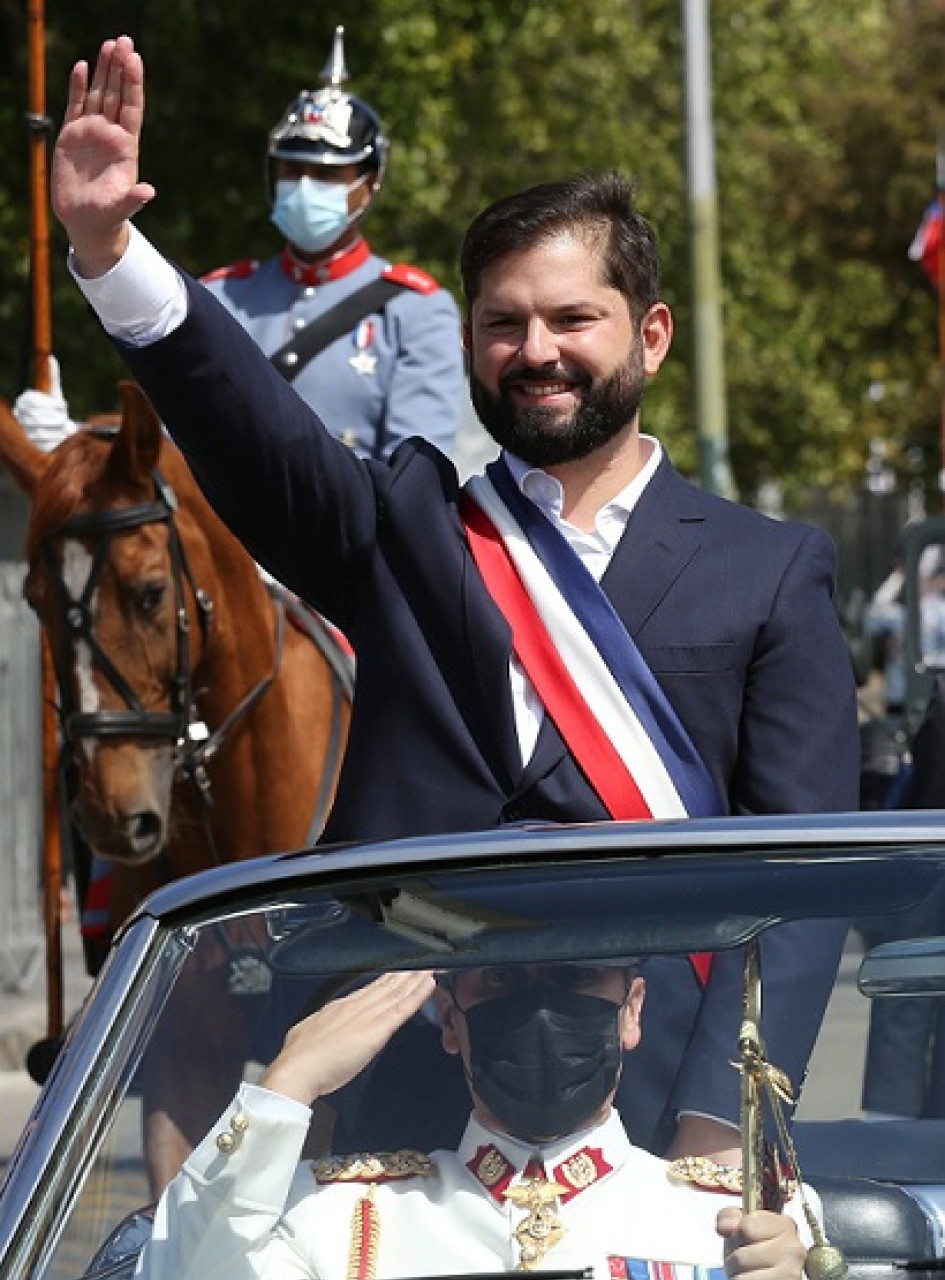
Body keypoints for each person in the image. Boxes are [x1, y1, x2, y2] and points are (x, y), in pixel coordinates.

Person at [49, 35, 860, 1167]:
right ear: (474, 343)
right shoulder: (406, 531)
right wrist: (107, 247)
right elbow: (250, 425)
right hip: (392, 1116)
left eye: (574, 320)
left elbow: (803, 881)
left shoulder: (772, 568)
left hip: (666, 1122)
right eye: (503, 324)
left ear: (652, 335)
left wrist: (725, 1122)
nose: (538, 352)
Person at [134, 964, 812, 1280]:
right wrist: (286, 1087)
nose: (538, 1013)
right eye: (499, 986)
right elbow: (184, 1276)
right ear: (451, 1022)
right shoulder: (338, 1217)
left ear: (631, 1010)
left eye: (573, 980)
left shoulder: (738, 1220)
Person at [200, 25, 464, 462]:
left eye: (326, 176)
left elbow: (413, 480)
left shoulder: (415, 311)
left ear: (370, 183)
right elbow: (166, 447)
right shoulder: (220, 295)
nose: (304, 187)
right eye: (292, 171)